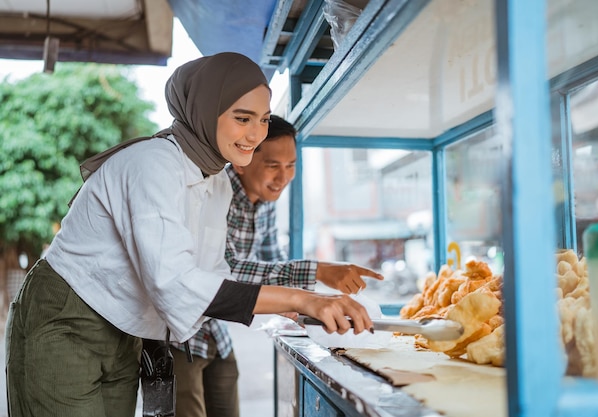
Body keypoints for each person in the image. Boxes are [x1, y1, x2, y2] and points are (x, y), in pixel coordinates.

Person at [5, 52, 375, 417]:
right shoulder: (153, 163)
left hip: (126, 330)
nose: (255, 134)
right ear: (203, 108)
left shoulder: (218, 185)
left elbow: (215, 276)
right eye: (242, 118)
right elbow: (175, 282)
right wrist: (304, 299)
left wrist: (299, 302)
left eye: (262, 120)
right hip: (69, 316)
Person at [170, 115, 384, 417]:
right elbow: (224, 271)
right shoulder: (217, 193)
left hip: (215, 332)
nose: (283, 177)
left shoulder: (266, 204)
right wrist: (318, 271)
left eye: (291, 165)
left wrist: (306, 306)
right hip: (179, 335)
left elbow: (271, 265)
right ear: (243, 159)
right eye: (273, 165)